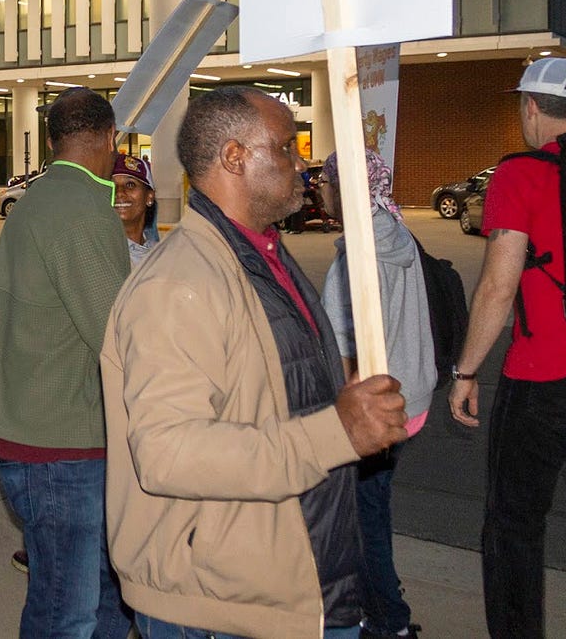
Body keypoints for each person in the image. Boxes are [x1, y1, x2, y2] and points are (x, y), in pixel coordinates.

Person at [102, 85, 408, 639]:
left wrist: (341, 396)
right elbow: (167, 453)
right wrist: (336, 430)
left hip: (294, 573)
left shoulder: (261, 255)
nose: (302, 163)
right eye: (287, 147)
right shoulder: (180, 284)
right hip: (218, 602)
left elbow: (269, 388)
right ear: (235, 157)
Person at [0, 87, 132, 639]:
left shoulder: (37, 201)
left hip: (42, 435)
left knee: (94, 600)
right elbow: (117, 334)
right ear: (110, 139)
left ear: (52, 142)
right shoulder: (81, 209)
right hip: (62, 445)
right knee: (67, 611)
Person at [448, 57, 566, 639]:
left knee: (514, 526)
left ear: (531, 107)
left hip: (544, 376)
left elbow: (498, 283)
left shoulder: (520, 174)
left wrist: (466, 370)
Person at [317, 149, 434, 639]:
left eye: (325, 181)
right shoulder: (398, 234)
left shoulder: (358, 259)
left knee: (364, 524)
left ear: (342, 190)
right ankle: (386, 609)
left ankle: (388, 622)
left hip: (375, 410)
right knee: (374, 513)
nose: (319, 189)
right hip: (412, 400)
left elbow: (345, 351)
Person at [111, 152, 158, 266]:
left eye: (130, 185)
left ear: (149, 197)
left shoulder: (160, 254)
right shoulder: (99, 253)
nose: (119, 193)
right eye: (112, 186)